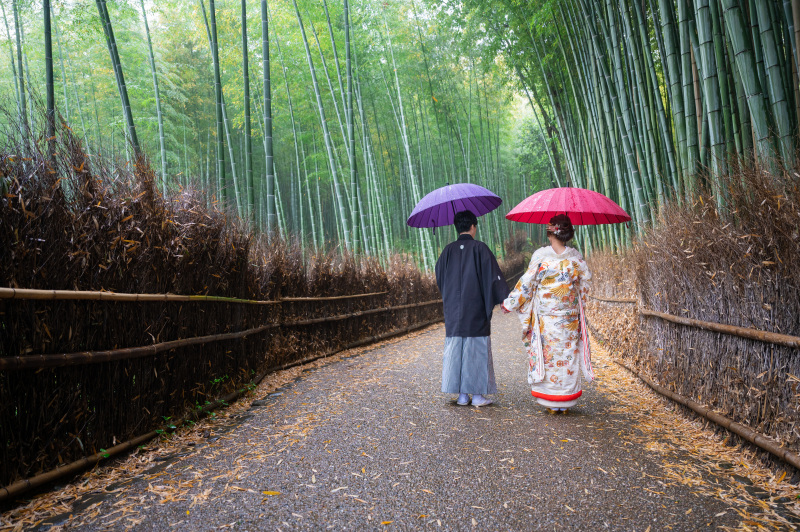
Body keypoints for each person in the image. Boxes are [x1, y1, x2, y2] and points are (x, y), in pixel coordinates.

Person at [502, 214, 593, 414]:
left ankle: (552, 401)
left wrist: (510, 303)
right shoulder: (575, 259)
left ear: (550, 233)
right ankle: (566, 401)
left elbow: (527, 284)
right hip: (569, 319)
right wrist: (577, 306)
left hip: (548, 321)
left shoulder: (542, 257)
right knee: (568, 355)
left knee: (550, 357)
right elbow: (584, 287)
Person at [435, 210, 510, 407]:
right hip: (475, 308)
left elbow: (440, 278)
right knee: (475, 350)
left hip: (454, 311)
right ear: (473, 227)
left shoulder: (447, 251)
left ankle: (461, 396)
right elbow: (494, 277)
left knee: (457, 349)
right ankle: (477, 396)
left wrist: (451, 297)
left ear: (456, 228)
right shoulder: (480, 248)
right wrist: (504, 298)